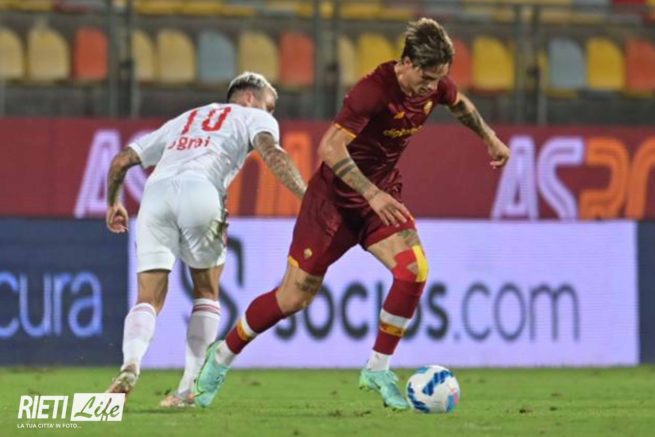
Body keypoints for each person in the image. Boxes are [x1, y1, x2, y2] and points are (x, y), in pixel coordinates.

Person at [194, 18, 511, 410]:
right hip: (332, 204)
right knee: (292, 298)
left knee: (413, 270)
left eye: (438, 79)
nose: (432, 87)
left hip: (380, 197)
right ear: (406, 63)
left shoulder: (435, 86)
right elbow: (329, 148)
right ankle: (222, 356)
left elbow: (460, 104)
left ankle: (377, 368)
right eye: (426, 78)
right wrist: (371, 194)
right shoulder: (373, 91)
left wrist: (490, 139)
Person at [104, 72, 307, 407]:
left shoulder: (186, 119)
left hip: (155, 194)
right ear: (249, 97)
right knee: (206, 292)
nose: (271, 114)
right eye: (269, 106)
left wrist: (113, 202)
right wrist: (306, 195)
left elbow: (121, 160)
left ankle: (130, 365)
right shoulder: (253, 117)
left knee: (148, 298)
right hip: (202, 189)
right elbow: (272, 153)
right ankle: (188, 388)